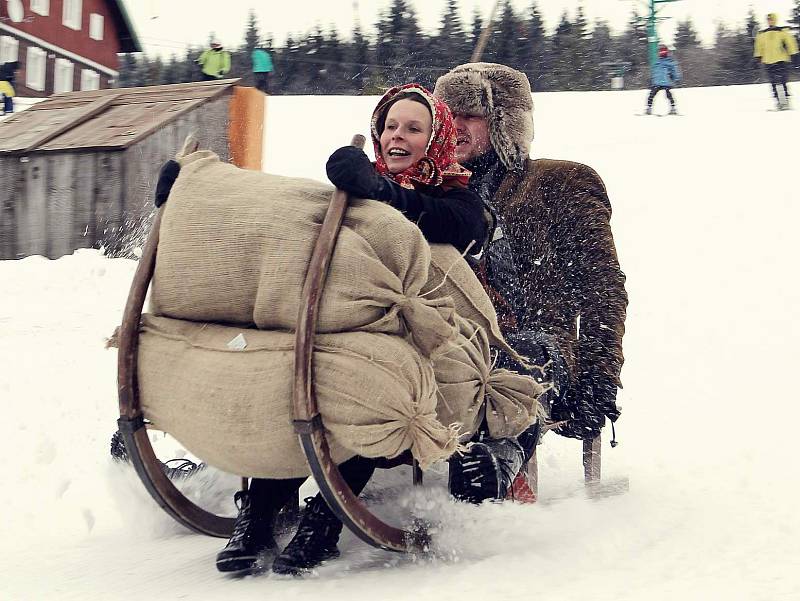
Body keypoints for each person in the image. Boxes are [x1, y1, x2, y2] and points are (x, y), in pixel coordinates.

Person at [150, 83, 488, 576]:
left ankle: (326, 519)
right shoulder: (354, 188)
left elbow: (457, 229)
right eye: (391, 126)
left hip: (423, 336)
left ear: (435, 138)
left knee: (367, 386)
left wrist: (383, 194)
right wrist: (192, 194)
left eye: (414, 128)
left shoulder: (458, 198)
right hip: (337, 322)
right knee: (286, 376)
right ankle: (261, 513)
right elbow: (283, 220)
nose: (399, 136)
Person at [433, 63, 627, 503]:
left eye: (471, 115)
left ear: (503, 122)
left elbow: (603, 289)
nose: (457, 127)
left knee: (519, 356)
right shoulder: (433, 190)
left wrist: (599, 378)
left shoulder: (558, 182)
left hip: (537, 341)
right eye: (449, 115)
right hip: (449, 340)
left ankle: (496, 465)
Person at [754, 12, 799, 110]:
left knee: (783, 82)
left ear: (775, 19)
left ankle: (786, 102)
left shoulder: (782, 31)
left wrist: (794, 55)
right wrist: (758, 56)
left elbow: (791, 43)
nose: (770, 21)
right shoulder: (762, 34)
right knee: (773, 83)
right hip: (768, 61)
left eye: (771, 19)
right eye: (768, 19)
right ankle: (779, 103)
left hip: (781, 60)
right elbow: (759, 46)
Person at [645, 45, 681, 115]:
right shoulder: (658, 62)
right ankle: (649, 108)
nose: (662, 53)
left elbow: (674, 71)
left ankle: (673, 108)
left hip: (664, 81)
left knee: (667, 94)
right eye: (661, 51)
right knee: (652, 95)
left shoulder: (668, 62)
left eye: (663, 51)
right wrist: (651, 79)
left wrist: (676, 78)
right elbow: (654, 71)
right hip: (659, 81)